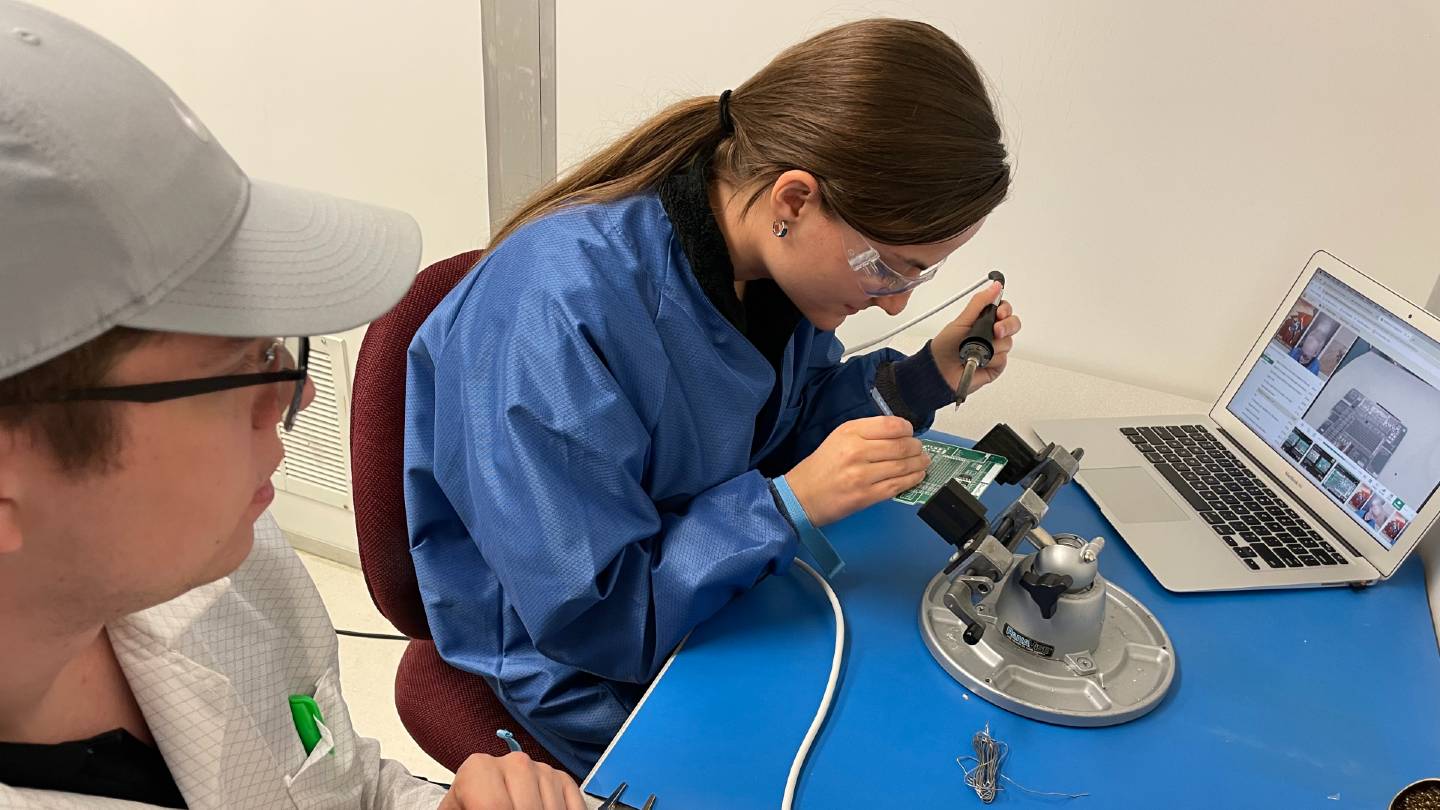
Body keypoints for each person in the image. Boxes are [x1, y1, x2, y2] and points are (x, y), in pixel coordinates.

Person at [0, 4, 582, 808]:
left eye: (274, 341)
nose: (296, 392)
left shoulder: (223, 560)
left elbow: (338, 786)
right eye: (237, 364)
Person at [404, 18, 1021, 773]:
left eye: (917, 277)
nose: (895, 303)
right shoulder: (554, 311)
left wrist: (924, 376)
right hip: (592, 674)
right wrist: (785, 506)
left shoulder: (763, 272)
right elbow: (598, 618)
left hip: (709, 602)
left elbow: (788, 427)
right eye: (890, 268)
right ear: (794, 199)